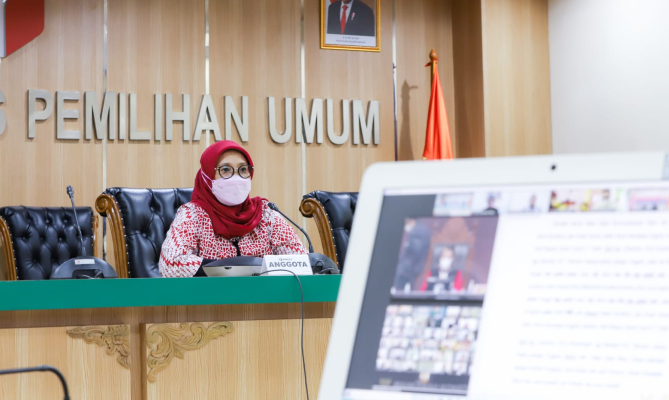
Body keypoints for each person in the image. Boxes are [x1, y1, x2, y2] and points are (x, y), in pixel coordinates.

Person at [159, 140, 307, 277]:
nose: (236, 177)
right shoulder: (194, 215)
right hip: (212, 295)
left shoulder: (266, 213)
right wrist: (228, 269)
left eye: (243, 169)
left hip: (265, 295)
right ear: (207, 176)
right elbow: (171, 264)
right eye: (225, 169)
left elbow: (302, 262)